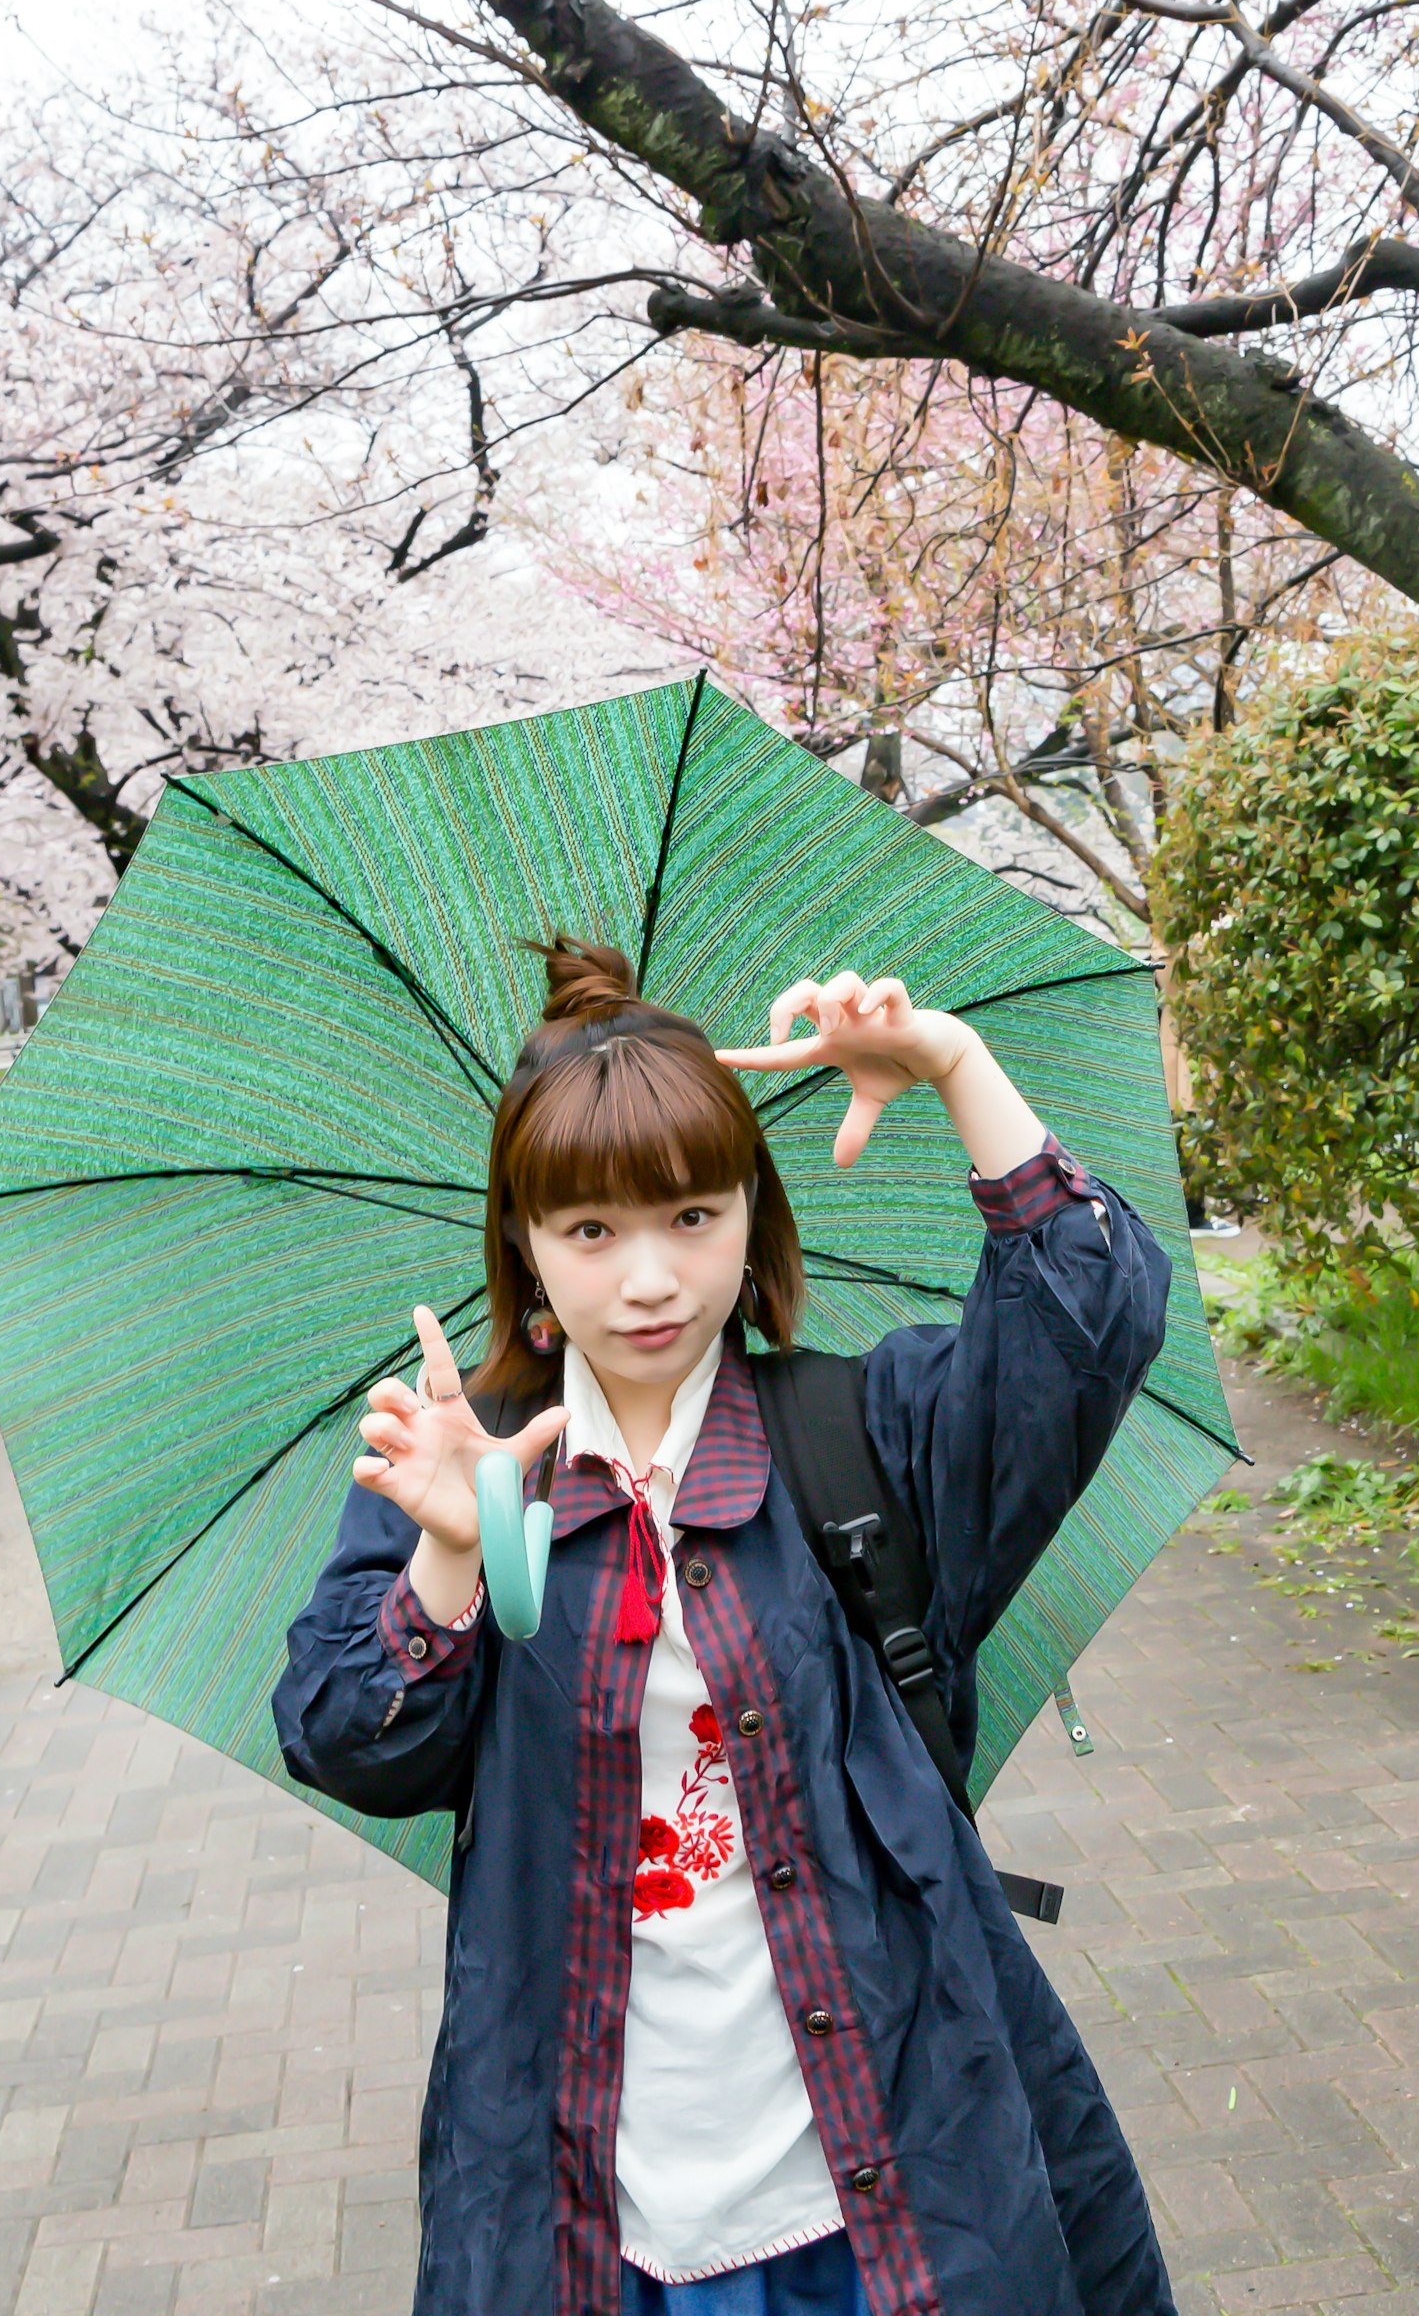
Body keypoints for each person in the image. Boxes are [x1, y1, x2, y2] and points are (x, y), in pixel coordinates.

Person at [275, 937, 1180, 2316]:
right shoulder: (464, 1467)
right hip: (588, 2204)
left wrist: (953, 1063)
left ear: (754, 1219)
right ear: (521, 1246)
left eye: (693, 1217)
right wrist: (450, 1560)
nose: (649, 1281)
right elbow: (345, 1741)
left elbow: (1088, 1325)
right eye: (590, 1232)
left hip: (889, 2173)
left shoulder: (860, 1434)